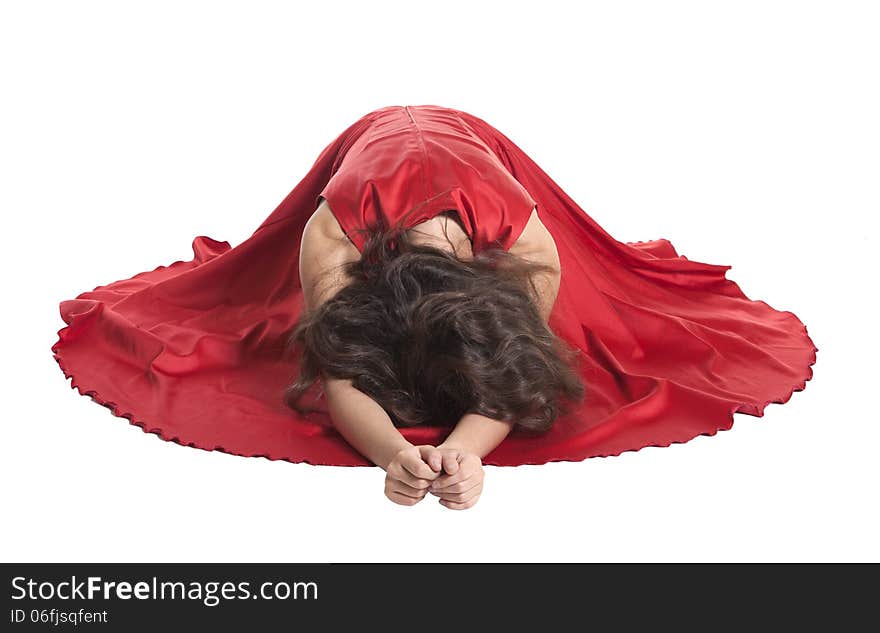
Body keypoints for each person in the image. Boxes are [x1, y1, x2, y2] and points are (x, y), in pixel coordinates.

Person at [51, 105, 818, 511]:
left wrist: (467, 454)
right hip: (369, 142)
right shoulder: (331, 243)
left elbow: (516, 367)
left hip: (480, 148)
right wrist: (395, 455)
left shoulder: (526, 248)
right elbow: (339, 371)